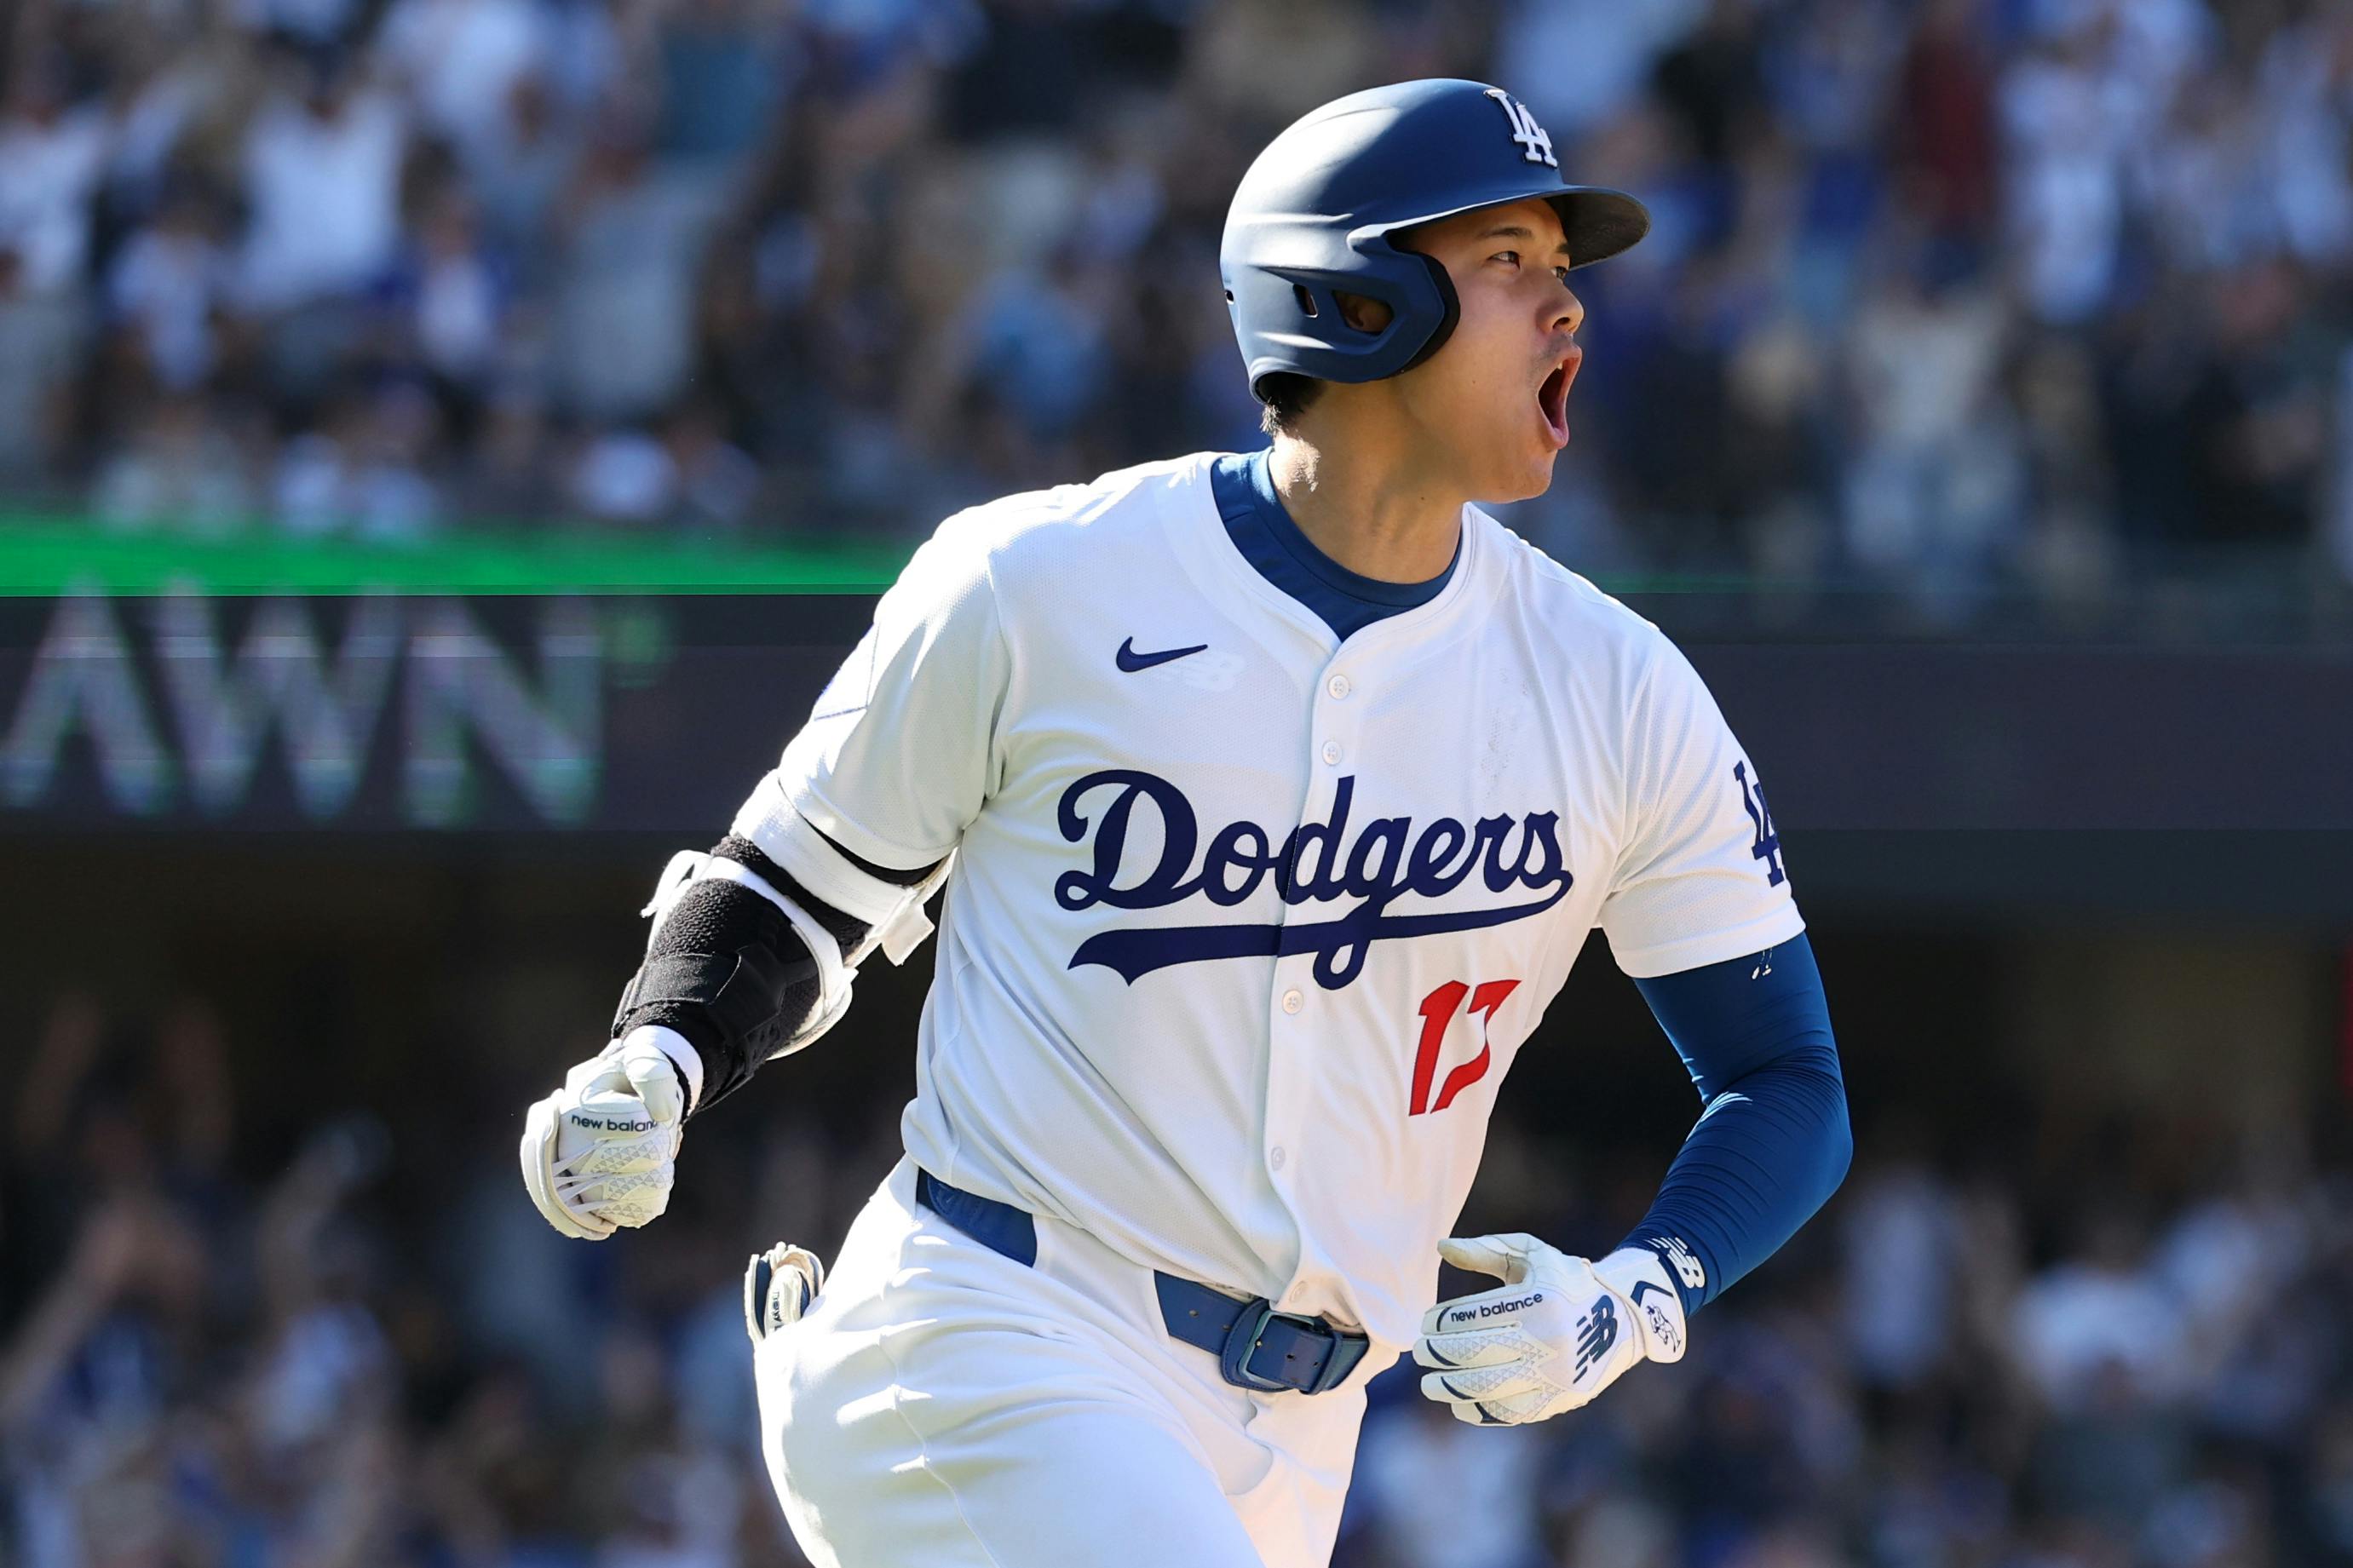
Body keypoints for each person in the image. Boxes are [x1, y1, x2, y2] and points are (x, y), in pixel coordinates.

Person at [519, 78, 1852, 1568]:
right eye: (1509, 264)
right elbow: (795, 887)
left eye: (1562, 270)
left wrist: (1638, 1296)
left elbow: (1785, 1075)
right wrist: (662, 1051)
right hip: (991, 1334)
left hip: (1296, 1437)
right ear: (1354, 305)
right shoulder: (1039, 581)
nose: (1566, 312)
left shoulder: (1618, 689)